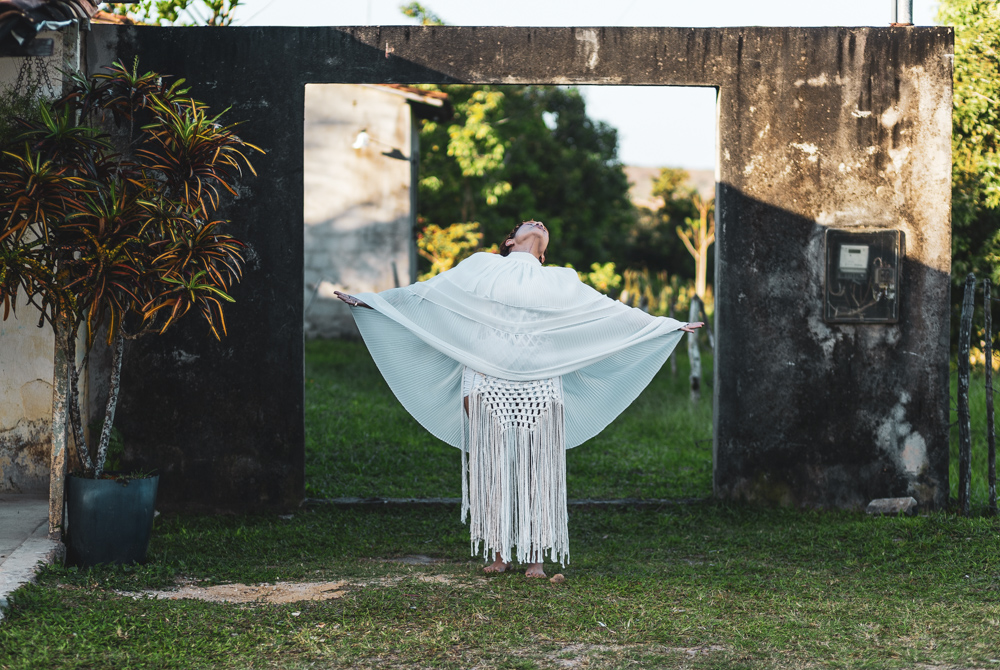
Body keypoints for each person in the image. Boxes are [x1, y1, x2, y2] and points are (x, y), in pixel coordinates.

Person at [336, 220, 702, 578]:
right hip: (484, 374)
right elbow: (428, 293)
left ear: (544, 254)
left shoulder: (560, 278)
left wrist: (665, 325)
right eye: (528, 223)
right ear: (509, 242)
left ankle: (537, 560)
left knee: (538, 466)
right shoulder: (482, 264)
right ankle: (499, 555)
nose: (538, 223)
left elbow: (606, 311)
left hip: (541, 379)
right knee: (491, 461)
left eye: (542, 225)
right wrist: (372, 303)